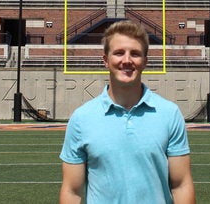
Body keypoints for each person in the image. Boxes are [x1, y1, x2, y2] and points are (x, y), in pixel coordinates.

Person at [59, 20, 195, 204]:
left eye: (135, 54)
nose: (127, 60)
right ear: (105, 60)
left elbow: (181, 185)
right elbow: (72, 191)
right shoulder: (81, 119)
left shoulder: (169, 114)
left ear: (145, 62)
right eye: (119, 53)